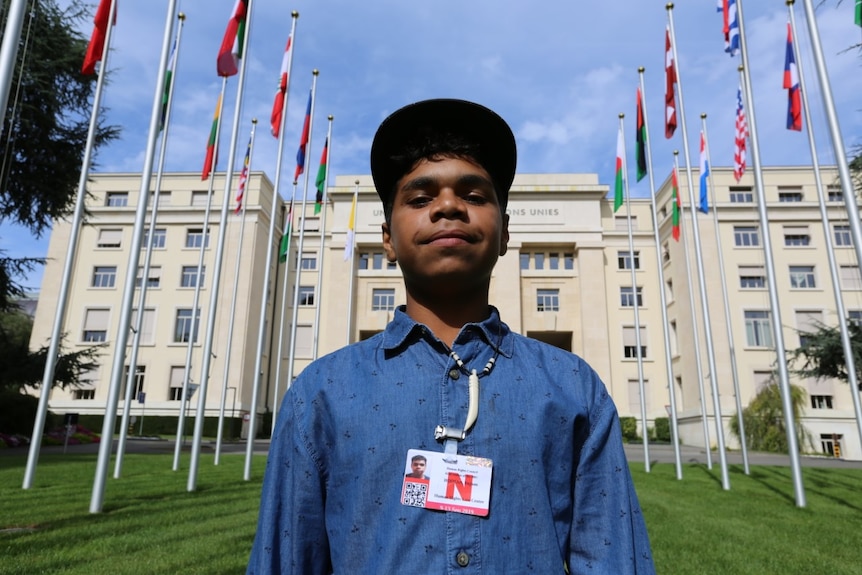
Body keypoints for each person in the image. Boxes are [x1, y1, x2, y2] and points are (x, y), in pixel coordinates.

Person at [247, 99, 655, 574]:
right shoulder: (319, 396)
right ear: (387, 239)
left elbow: (613, 559)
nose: (447, 206)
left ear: (504, 234)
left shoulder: (574, 388)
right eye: (420, 199)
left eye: (475, 196)